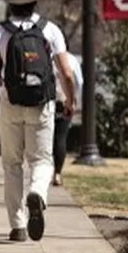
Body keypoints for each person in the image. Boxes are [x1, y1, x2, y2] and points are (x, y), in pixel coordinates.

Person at [0, 0, 76, 242]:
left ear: (11, 3)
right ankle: (37, 191)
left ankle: (18, 225)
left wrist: (5, 83)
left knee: (12, 164)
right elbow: (67, 73)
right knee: (42, 160)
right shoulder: (51, 30)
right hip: (42, 104)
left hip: (10, 103)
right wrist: (70, 100)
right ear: (34, 2)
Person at [52, 48, 83, 187]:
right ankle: (57, 174)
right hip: (65, 101)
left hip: (45, 102)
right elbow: (79, 81)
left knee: (44, 139)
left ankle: (42, 173)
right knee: (60, 137)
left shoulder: (44, 55)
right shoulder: (71, 59)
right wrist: (72, 99)